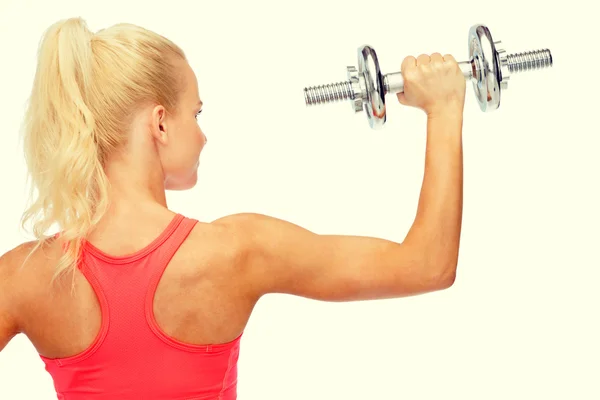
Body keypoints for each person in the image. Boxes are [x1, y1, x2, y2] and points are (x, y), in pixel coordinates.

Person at [0, 16, 465, 400]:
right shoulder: (236, 251)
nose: (203, 135)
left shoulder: (27, 274)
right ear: (160, 123)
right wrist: (443, 111)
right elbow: (427, 265)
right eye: (196, 113)